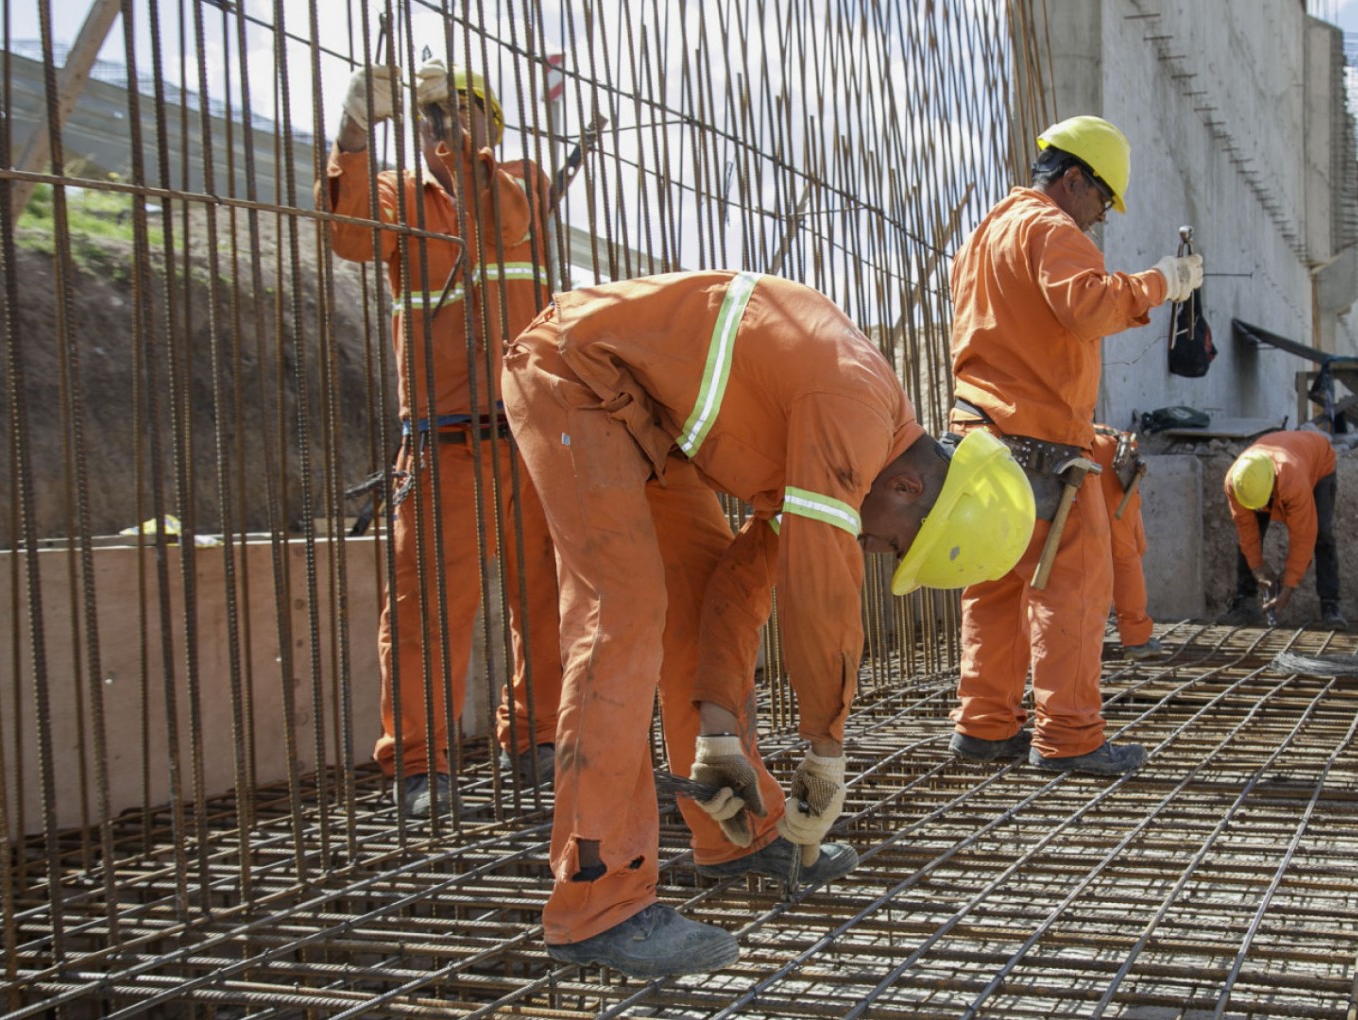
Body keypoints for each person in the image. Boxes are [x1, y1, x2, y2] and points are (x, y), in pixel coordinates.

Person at [501, 270, 1035, 978]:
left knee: (696, 600)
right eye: (896, 545)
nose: (875, 552)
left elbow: (744, 584)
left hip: (644, 418)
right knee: (621, 615)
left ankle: (737, 832)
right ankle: (597, 901)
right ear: (908, 488)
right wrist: (826, 747)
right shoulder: (848, 411)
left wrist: (718, 734)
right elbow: (820, 594)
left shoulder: (847, 444)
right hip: (576, 376)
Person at [320, 60, 562, 818]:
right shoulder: (398, 197)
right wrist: (354, 133)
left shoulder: (520, 181)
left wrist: (463, 152)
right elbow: (349, 232)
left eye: (460, 110)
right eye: (429, 114)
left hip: (527, 440)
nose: (442, 125)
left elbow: (503, 220)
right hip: (441, 446)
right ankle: (422, 766)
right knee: (425, 612)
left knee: (545, 600)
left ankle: (538, 740)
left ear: (491, 121)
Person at [946, 115, 1202, 775]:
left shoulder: (985, 234)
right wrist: (1161, 282)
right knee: (1073, 589)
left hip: (978, 442)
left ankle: (984, 725)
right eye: (1102, 200)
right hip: (1041, 450)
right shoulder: (1052, 229)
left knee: (995, 585)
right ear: (1073, 178)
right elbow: (1089, 306)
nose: (1100, 218)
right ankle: (1069, 737)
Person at [1221, 429, 1346, 629]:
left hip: (1318, 460)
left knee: (1322, 534)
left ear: (1272, 488)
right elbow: (1246, 530)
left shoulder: (1293, 483)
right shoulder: (1237, 483)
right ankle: (1245, 603)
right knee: (1252, 533)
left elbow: (1303, 536)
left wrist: (1288, 587)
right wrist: (1257, 567)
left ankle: (1331, 605)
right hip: (1279, 462)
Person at [1092, 425, 1160, 659]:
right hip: (1102, 452)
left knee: (1073, 557)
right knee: (1123, 555)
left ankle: (1077, 639)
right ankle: (1136, 638)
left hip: (1069, 453)